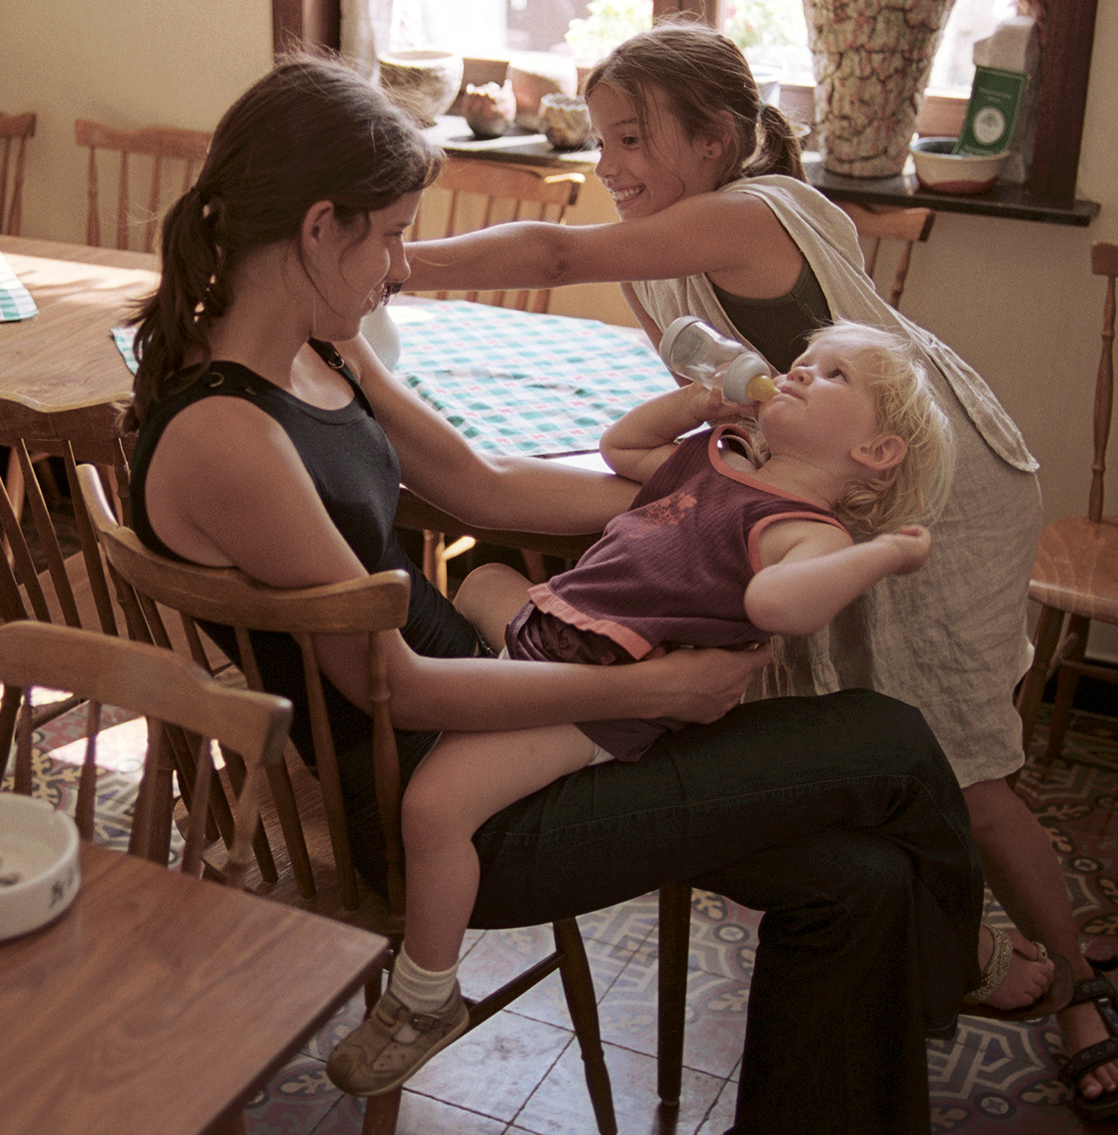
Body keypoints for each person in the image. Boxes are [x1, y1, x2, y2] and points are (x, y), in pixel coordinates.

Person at [125, 56, 982, 1133]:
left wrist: (701, 497)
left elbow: (478, 483)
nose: (400, 266)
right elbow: (395, 687)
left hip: (517, 702)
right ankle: (972, 965)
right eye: (391, 233)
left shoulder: (319, 354)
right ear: (317, 227)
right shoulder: (229, 435)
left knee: (861, 879)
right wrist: (658, 686)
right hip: (447, 800)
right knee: (890, 740)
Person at [402, 20, 1118, 1119]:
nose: (607, 165)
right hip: (821, 503)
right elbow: (719, 413)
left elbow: (554, 254)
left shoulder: (755, 214)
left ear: (717, 140)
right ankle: (948, 949)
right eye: (601, 137)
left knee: (971, 773)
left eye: (632, 139)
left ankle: (1079, 989)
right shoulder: (668, 238)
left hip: (933, 498)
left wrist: (397, 259)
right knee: (862, 736)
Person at [332, 320, 1055, 1094]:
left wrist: (881, 553)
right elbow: (620, 449)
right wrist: (697, 402)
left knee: (434, 806)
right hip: (558, 640)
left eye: (835, 376)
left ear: (875, 454)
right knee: (482, 581)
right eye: (805, 360)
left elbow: (777, 606)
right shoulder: (721, 460)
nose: (803, 372)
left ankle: (424, 995)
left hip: (593, 694)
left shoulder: (806, 532)